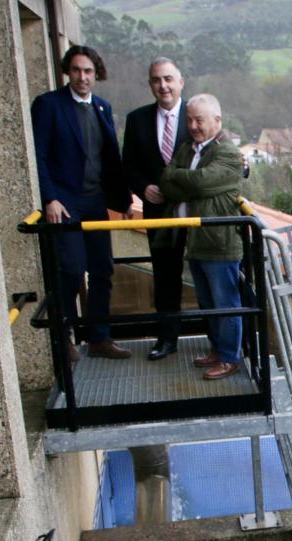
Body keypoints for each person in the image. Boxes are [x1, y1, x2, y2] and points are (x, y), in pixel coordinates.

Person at [30, 45, 132, 361]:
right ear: (67, 72)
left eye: (88, 71)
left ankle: (100, 338)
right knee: (72, 270)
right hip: (65, 203)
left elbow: (111, 160)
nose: (82, 77)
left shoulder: (102, 107)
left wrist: (124, 200)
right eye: (76, 70)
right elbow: (39, 156)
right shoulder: (49, 105)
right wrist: (50, 198)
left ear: (96, 73)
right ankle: (64, 338)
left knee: (103, 270)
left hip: (95, 201)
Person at [159, 94, 244, 380]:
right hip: (194, 242)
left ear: (217, 121)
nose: (193, 126)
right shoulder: (187, 148)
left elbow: (203, 181)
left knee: (225, 303)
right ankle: (217, 351)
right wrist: (184, 180)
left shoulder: (228, 153)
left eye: (200, 120)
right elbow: (167, 184)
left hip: (219, 242)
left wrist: (178, 176)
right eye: (190, 120)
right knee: (207, 303)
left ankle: (230, 358)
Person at [122, 58, 189, 361]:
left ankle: (219, 342)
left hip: (194, 211)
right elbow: (128, 166)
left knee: (207, 273)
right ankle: (167, 339)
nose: (163, 85)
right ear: (150, 84)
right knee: (165, 276)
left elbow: (220, 153)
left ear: (180, 82)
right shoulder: (136, 120)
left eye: (168, 79)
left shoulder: (195, 114)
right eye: (156, 80)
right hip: (158, 213)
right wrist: (143, 187)